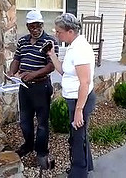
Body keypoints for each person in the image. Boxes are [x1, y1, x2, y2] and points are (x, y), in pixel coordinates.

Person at [7, 10, 59, 167]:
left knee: (42, 123)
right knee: (24, 121)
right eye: (32, 27)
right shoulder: (22, 41)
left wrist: (34, 74)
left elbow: (51, 66)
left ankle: (42, 152)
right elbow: (17, 59)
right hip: (24, 87)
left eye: (38, 26)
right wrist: (11, 72)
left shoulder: (49, 41)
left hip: (41, 86)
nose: (35, 29)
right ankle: (28, 145)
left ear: (42, 25)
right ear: (27, 26)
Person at [47, 13, 96, 178]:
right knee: (79, 135)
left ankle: (78, 173)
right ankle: (86, 166)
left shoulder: (80, 49)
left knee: (76, 138)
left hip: (80, 100)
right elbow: (64, 72)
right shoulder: (72, 46)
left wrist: (78, 110)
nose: (56, 34)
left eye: (59, 31)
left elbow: (85, 82)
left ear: (70, 31)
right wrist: (52, 55)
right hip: (74, 99)